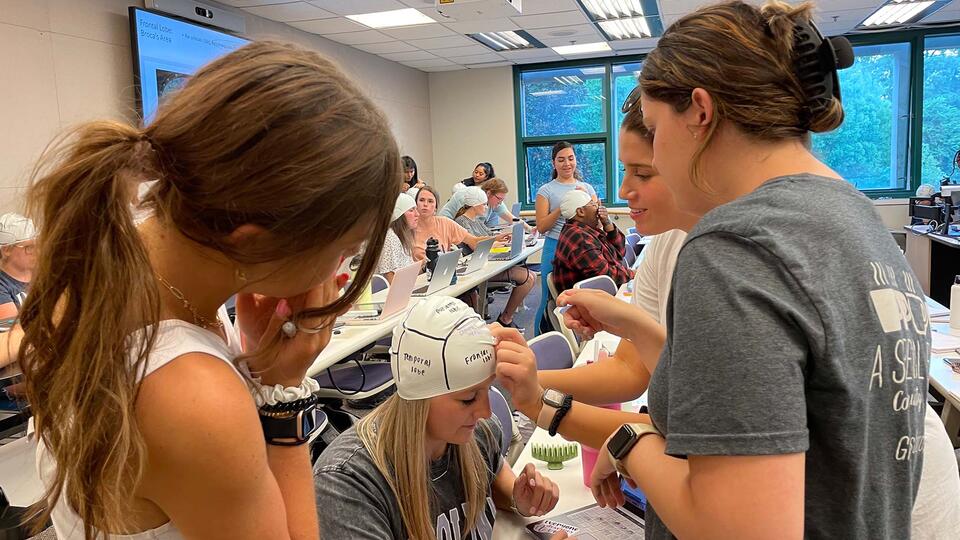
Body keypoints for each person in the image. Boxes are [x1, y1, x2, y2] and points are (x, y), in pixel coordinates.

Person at [552, 3, 930, 538]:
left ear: (700, 113)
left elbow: (733, 528)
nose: (655, 155)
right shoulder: (856, 218)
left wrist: (630, 442)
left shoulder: (734, 248)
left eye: (656, 132)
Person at [20, 41, 400, 539]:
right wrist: (282, 398)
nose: (339, 270)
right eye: (344, 251)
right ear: (254, 243)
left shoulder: (97, 260)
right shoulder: (194, 397)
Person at [313, 296, 563, 540]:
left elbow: (492, 480)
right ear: (420, 398)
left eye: (488, 389)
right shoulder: (347, 482)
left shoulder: (477, 433)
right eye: (468, 399)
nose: (486, 412)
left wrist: (517, 498)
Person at [533, 142, 597, 334]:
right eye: (561, 160)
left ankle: (580, 341)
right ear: (554, 163)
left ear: (576, 160)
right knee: (549, 299)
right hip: (554, 247)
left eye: (570, 158)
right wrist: (564, 205)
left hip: (582, 248)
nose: (567, 163)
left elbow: (595, 223)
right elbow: (542, 226)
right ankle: (539, 342)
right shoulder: (546, 190)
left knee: (582, 297)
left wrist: (589, 201)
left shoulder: (586, 188)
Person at [453, 188, 537, 329]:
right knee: (528, 277)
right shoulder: (461, 222)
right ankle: (505, 319)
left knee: (531, 276)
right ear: (474, 205)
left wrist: (503, 241)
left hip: (488, 264)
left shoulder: (476, 220)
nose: (486, 208)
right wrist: (498, 241)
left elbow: (489, 240)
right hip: (478, 269)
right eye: (484, 204)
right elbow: (478, 245)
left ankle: (506, 317)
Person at [551, 190, 632, 293]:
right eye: (593, 204)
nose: (599, 208)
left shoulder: (585, 230)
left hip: (596, 296)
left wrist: (607, 224)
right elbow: (607, 276)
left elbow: (619, 253)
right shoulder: (580, 238)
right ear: (581, 212)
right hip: (584, 303)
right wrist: (635, 274)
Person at [413, 186, 508, 261]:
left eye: (430, 201)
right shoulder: (408, 229)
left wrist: (496, 239)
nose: (425, 204)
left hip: (443, 275)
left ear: (436, 207)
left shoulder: (445, 223)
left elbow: (474, 241)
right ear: (415, 204)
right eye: (421, 200)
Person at [0, 213, 37, 325]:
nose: (36, 252)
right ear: (6, 250)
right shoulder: (2, 286)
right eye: (29, 247)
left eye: (37, 245)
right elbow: (13, 334)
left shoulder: (41, 275)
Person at [377, 192, 422, 282]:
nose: (417, 214)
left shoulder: (402, 236)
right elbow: (390, 278)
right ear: (399, 215)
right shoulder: (390, 237)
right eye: (411, 210)